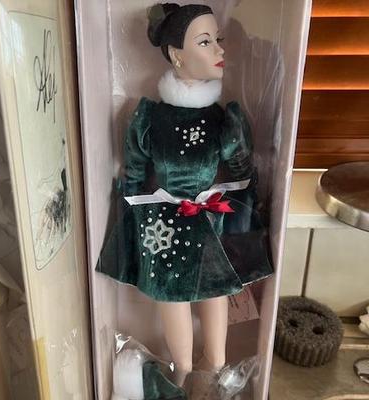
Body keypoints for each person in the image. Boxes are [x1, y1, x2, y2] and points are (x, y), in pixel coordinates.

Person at [96, 3, 273, 388]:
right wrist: (131, 225)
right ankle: (182, 370)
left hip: (210, 220)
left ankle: (214, 366)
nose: (220, 50)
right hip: (163, 228)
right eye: (205, 42)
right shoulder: (149, 118)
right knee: (172, 298)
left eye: (217, 40)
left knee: (215, 295)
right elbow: (134, 175)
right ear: (177, 55)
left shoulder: (224, 119)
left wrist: (245, 205)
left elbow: (242, 172)